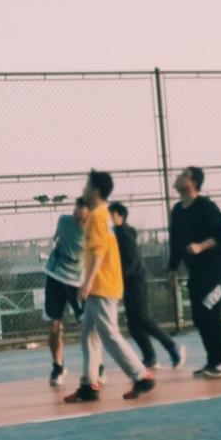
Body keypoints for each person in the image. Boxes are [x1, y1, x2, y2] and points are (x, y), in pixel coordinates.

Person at [64, 171, 155, 403]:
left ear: (95, 190)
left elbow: (99, 252)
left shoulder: (97, 216)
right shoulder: (104, 215)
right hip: (103, 284)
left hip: (102, 285)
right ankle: (89, 384)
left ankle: (141, 375)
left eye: (87, 185)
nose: (83, 189)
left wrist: (87, 283)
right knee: (89, 337)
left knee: (109, 335)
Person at [168, 166, 221, 379]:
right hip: (196, 271)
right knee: (199, 317)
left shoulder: (205, 206)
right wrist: (172, 268)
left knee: (210, 312)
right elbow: (175, 243)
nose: (178, 177)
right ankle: (212, 360)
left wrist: (201, 246)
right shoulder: (177, 211)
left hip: (215, 268)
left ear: (193, 182)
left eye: (183, 175)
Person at [109, 201, 185, 370]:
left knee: (143, 319)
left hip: (136, 282)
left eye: (112, 214)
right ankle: (150, 357)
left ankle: (172, 347)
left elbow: (131, 263)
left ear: (120, 216)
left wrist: (117, 279)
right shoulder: (118, 234)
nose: (110, 218)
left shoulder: (124, 235)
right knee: (133, 325)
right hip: (128, 283)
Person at [43, 198, 93, 387]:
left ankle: (95, 365)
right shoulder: (64, 221)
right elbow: (57, 237)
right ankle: (58, 367)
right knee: (53, 327)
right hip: (55, 276)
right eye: (75, 212)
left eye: (81, 215)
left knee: (87, 326)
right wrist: (58, 241)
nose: (77, 217)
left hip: (77, 282)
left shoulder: (93, 231)